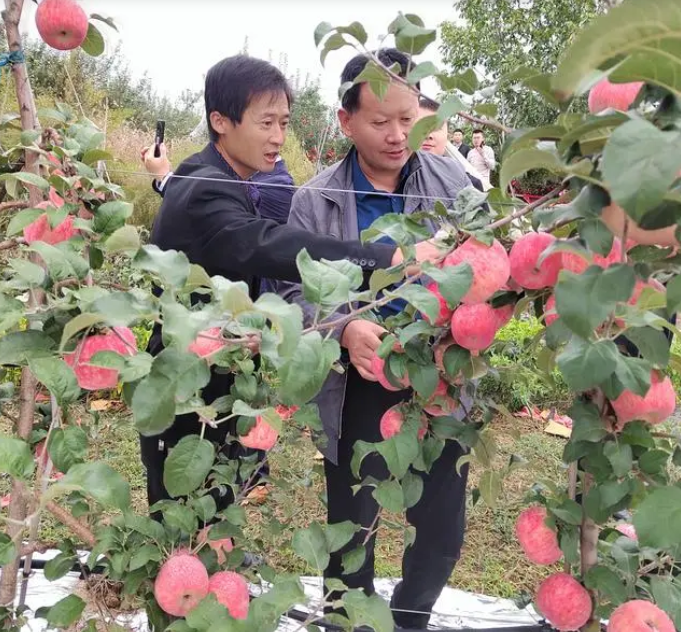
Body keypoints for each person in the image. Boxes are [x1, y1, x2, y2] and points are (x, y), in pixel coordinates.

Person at [137, 54, 442, 530]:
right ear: (220, 121)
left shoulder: (228, 179)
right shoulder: (206, 188)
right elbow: (271, 245)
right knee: (183, 518)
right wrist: (388, 257)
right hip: (187, 381)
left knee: (216, 514)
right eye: (266, 123)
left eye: (283, 122)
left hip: (220, 371)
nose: (278, 137)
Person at [278, 49, 474, 630]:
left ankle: (409, 619)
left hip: (438, 373)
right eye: (380, 121)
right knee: (352, 528)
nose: (396, 136)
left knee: (441, 529)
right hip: (357, 383)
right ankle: (347, 621)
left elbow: (485, 263)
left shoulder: (452, 184)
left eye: (408, 120)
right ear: (346, 121)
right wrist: (343, 328)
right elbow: (291, 293)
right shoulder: (314, 201)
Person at [417, 97, 486, 193]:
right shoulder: (396, 181)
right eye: (420, 127)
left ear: (448, 135)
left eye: (436, 128)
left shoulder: (469, 186)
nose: (428, 135)